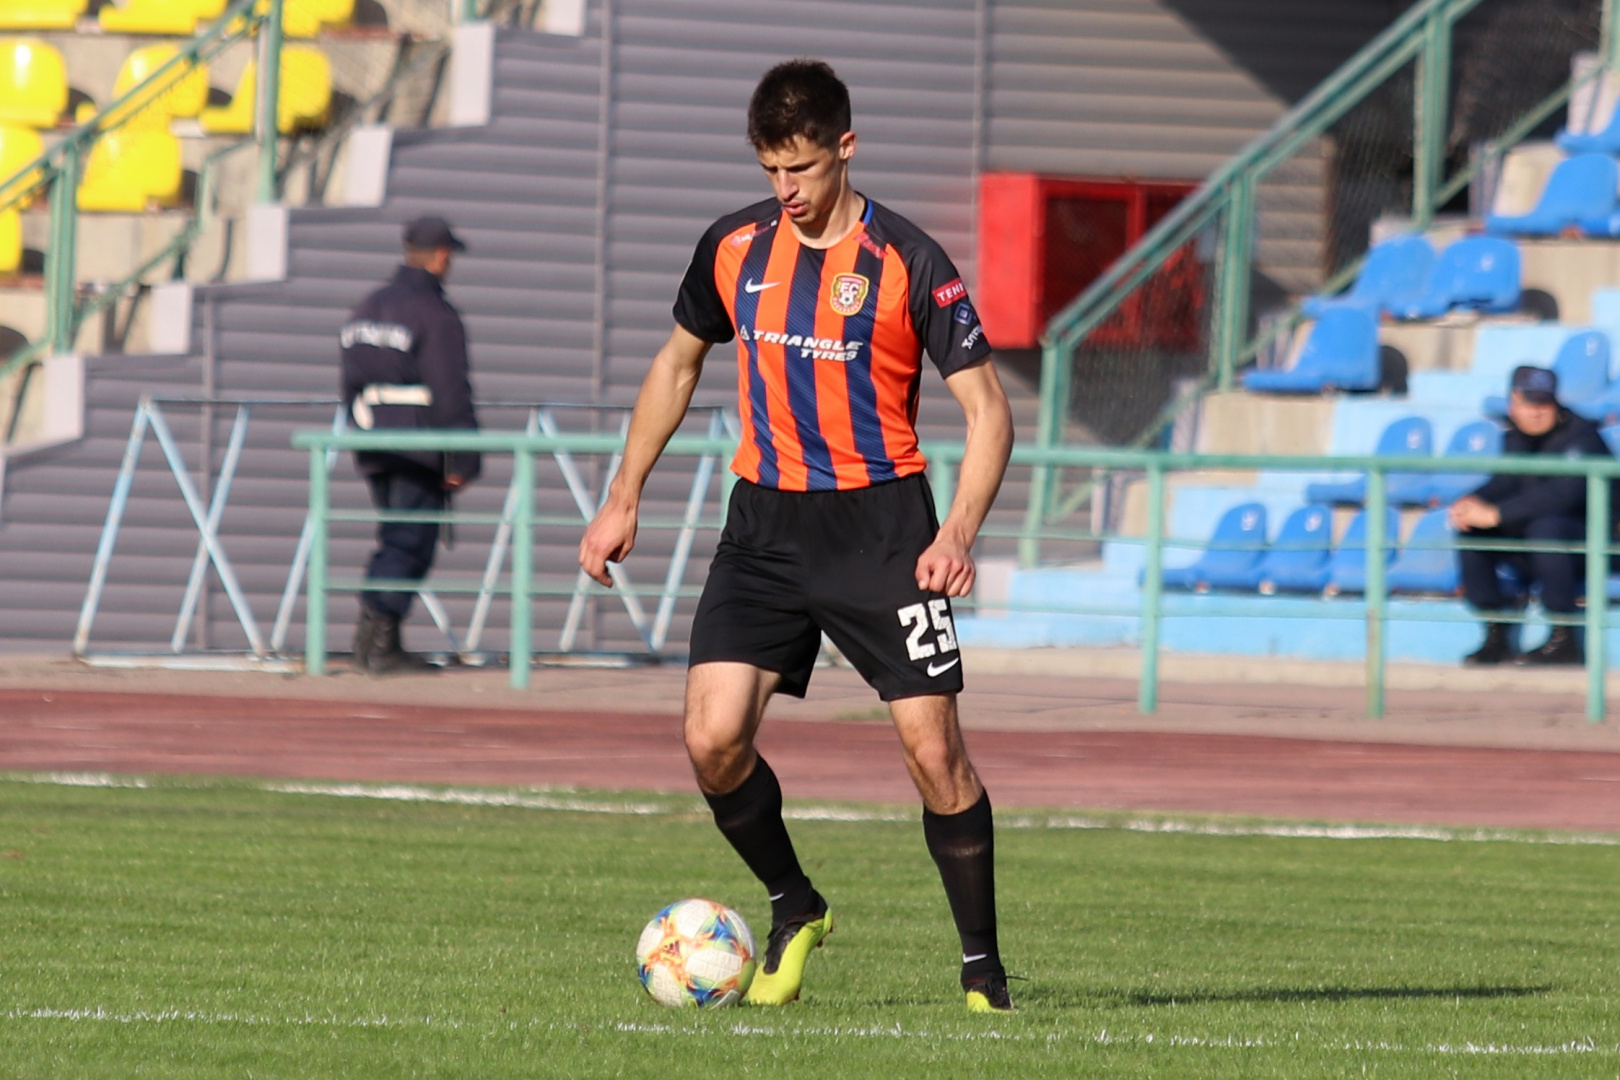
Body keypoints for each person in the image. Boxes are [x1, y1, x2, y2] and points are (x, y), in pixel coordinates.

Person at [579, 60, 1016, 1011]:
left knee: (935, 757)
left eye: (803, 168)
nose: (786, 188)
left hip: (883, 531)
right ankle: (795, 903)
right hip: (764, 526)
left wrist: (958, 532)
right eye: (771, 169)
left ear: (845, 148)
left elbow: (989, 412)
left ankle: (983, 970)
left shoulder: (910, 262)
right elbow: (678, 364)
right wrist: (623, 496)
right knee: (711, 740)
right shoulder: (734, 247)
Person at [340, 215, 481, 675]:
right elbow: (450, 390)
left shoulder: (367, 306)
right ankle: (380, 644)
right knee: (409, 540)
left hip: (374, 439)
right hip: (419, 442)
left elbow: (350, 381)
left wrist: (360, 432)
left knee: (395, 535)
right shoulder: (434, 314)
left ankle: (372, 643)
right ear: (441, 256)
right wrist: (463, 458)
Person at [1452, 364, 1611, 666]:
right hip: (1541, 542)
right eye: (1529, 403)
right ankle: (1495, 632)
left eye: (1544, 403)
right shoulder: (1516, 436)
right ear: (1513, 403)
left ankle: (1565, 639)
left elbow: (1564, 496)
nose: (1536, 412)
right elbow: (1505, 482)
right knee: (1471, 529)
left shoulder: (1582, 437)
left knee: (1546, 527)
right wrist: (1473, 502)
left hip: (1594, 543)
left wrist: (1497, 514)